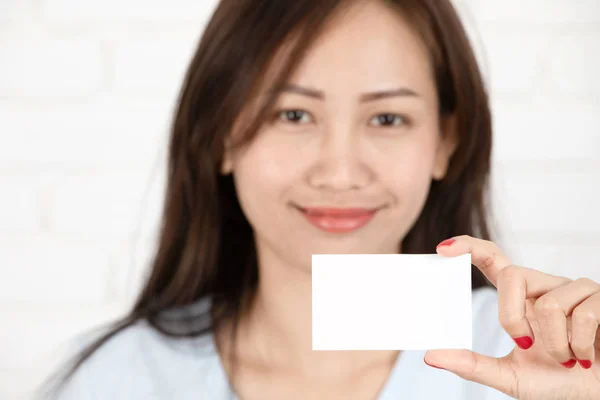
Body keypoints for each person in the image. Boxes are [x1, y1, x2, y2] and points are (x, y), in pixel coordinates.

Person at [38, 0, 600, 399]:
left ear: (444, 143)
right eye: (293, 114)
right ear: (221, 137)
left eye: (387, 117)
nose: (339, 172)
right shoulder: (116, 380)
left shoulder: (542, 363)